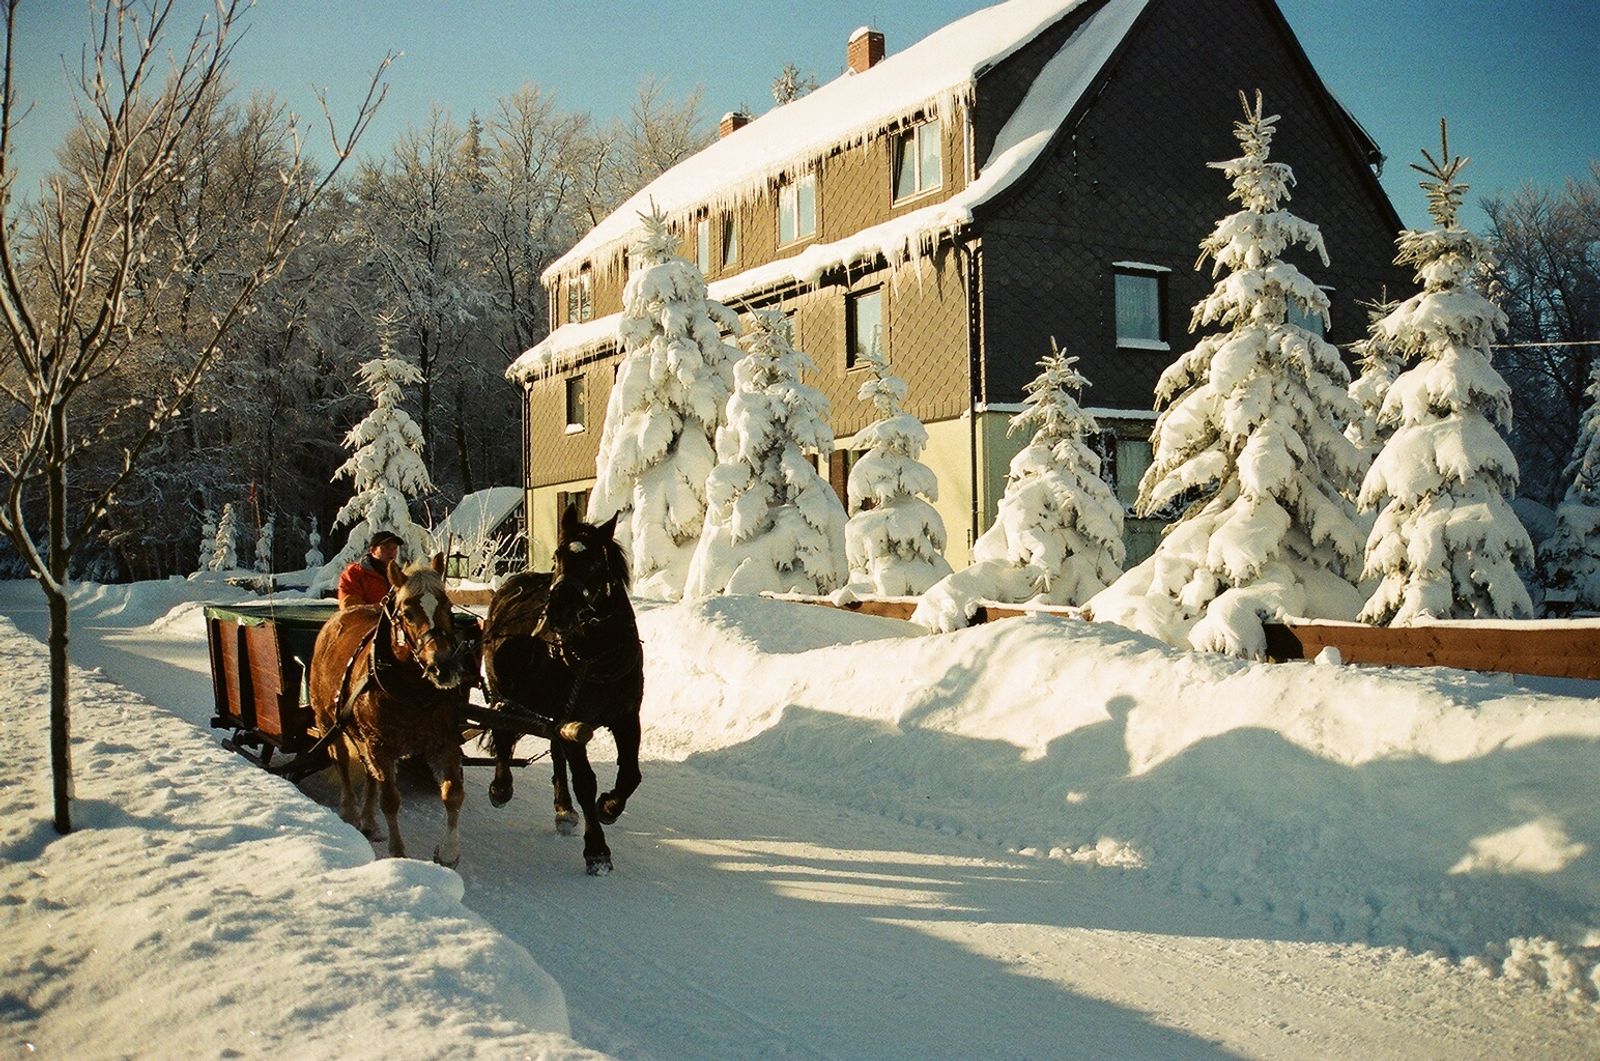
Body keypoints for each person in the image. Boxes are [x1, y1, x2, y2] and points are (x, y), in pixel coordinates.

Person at [338, 530, 401, 608]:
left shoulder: (402, 575)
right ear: (373, 550)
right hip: (366, 619)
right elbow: (350, 608)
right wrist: (380, 607)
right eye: (386, 547)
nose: (391, 551)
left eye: (394, 548)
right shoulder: (354, 574)